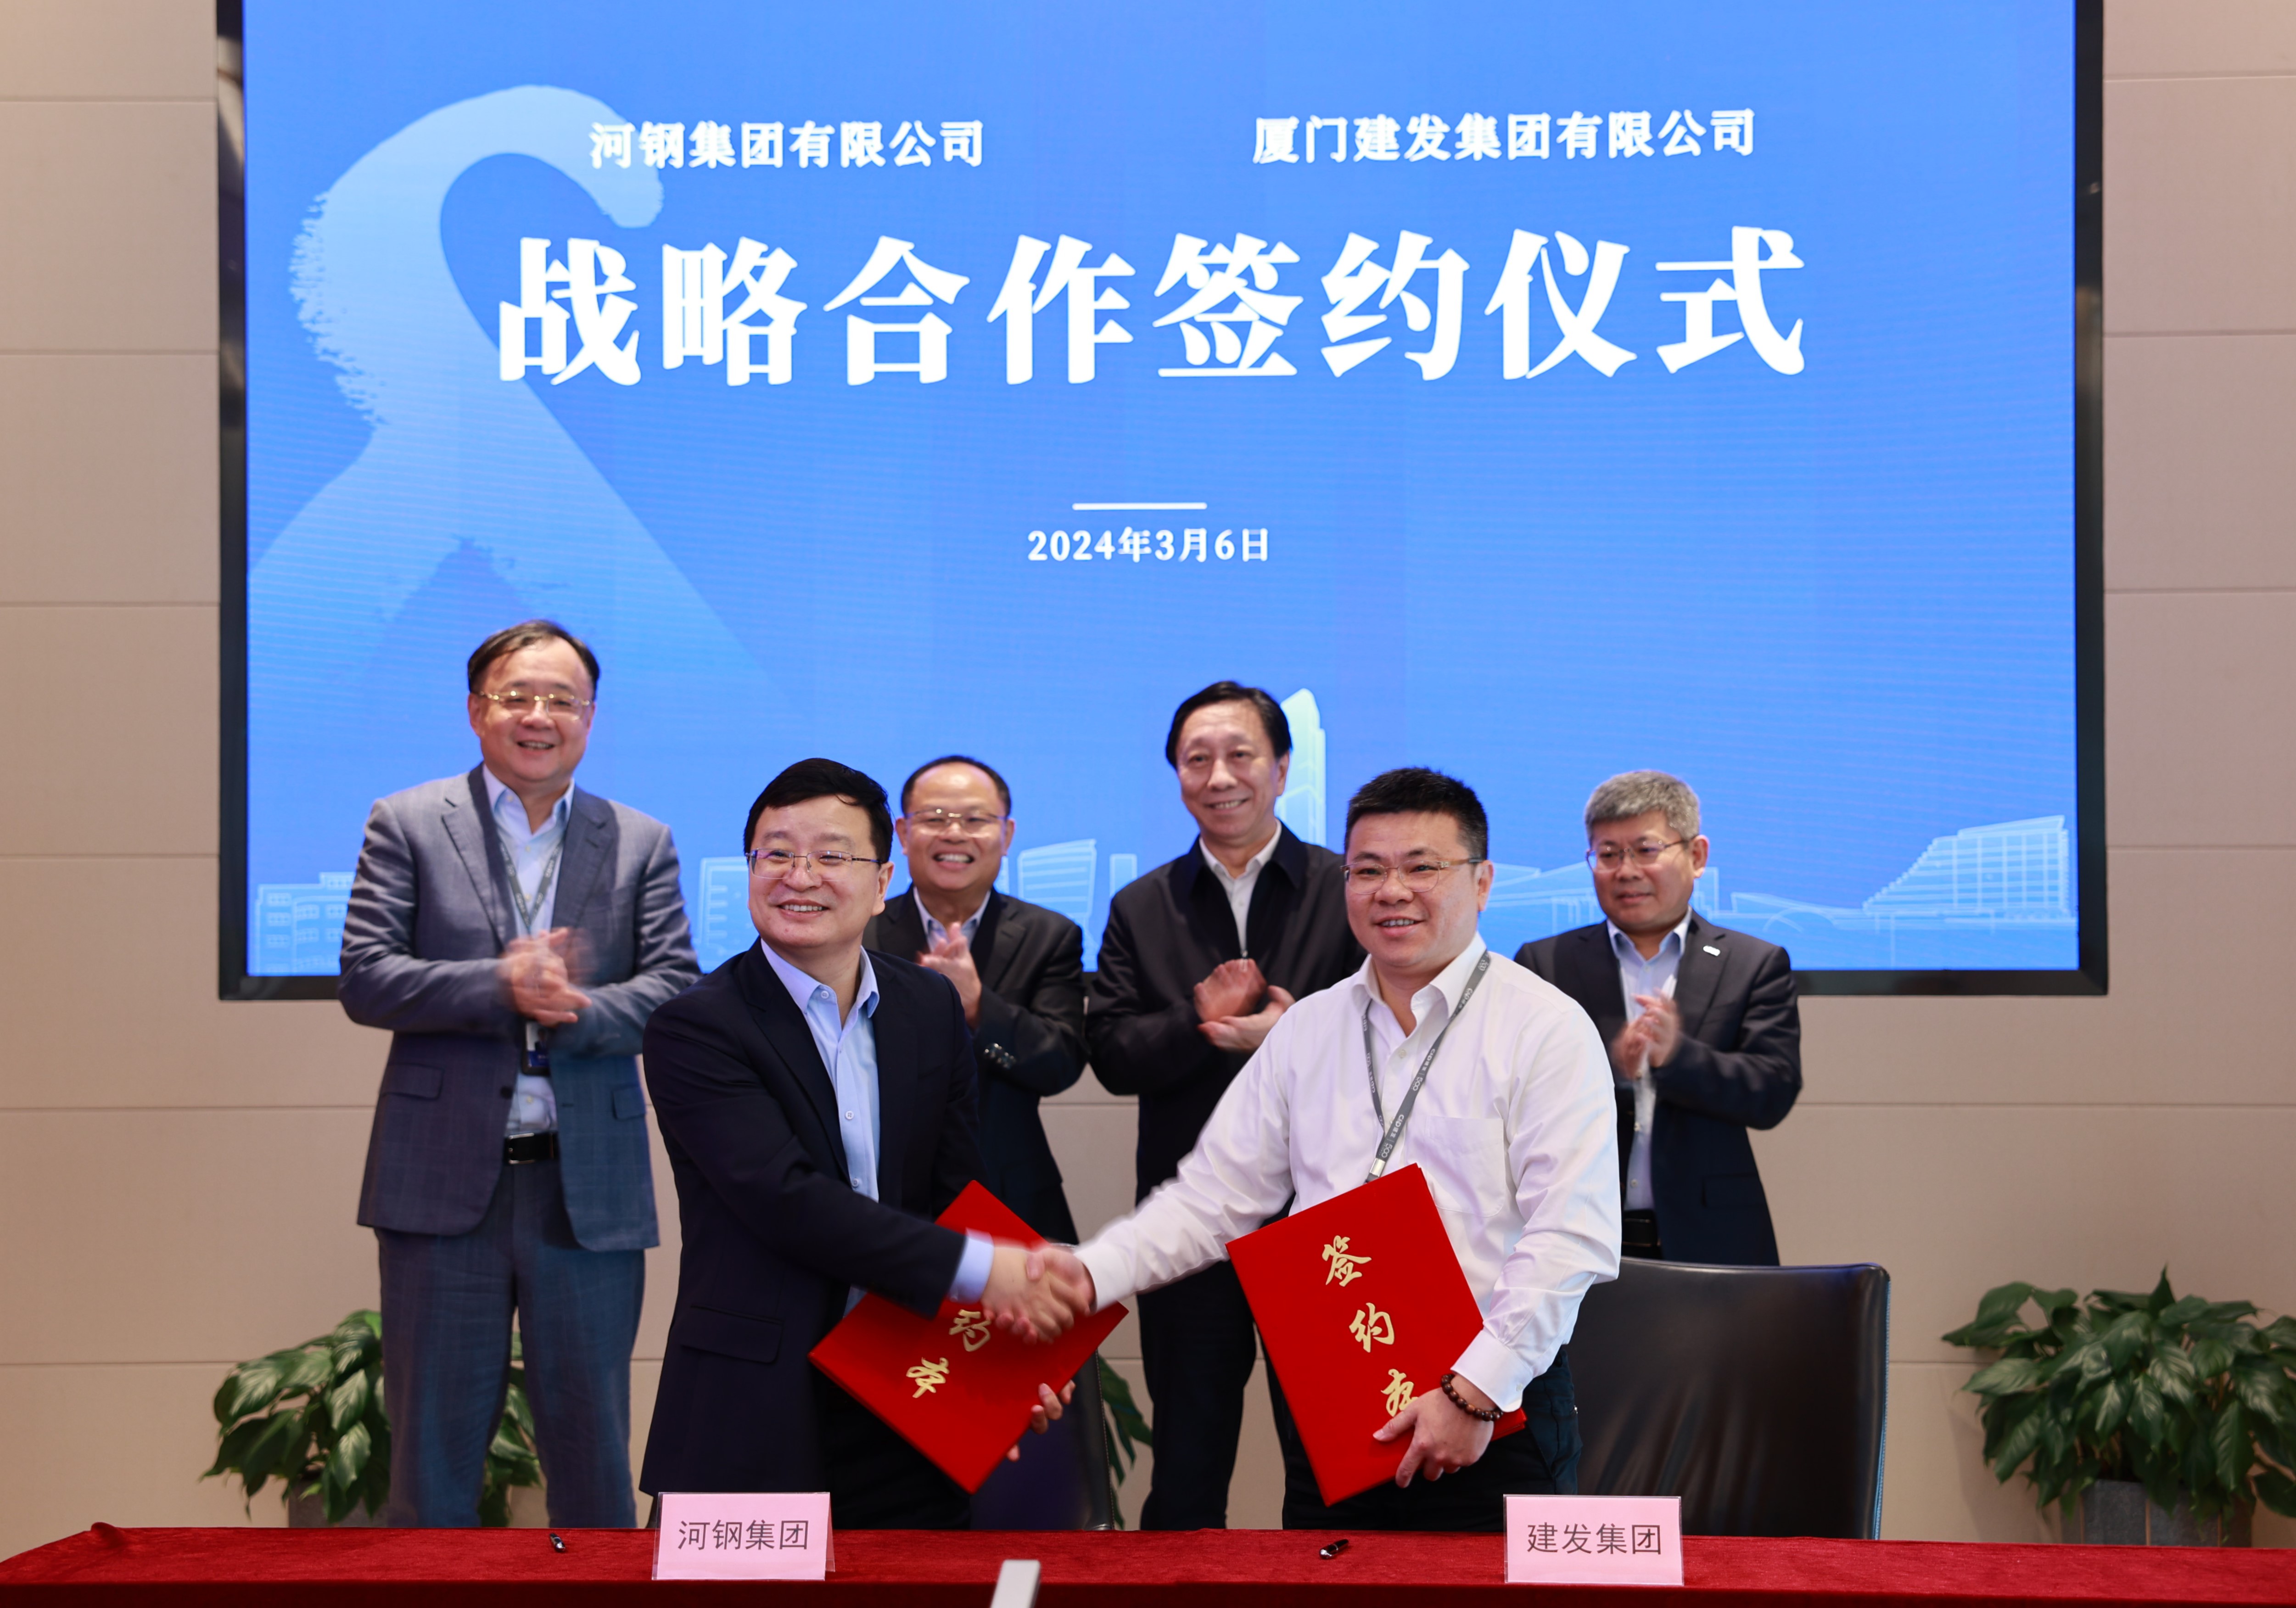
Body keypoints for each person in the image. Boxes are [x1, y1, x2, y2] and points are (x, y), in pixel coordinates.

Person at [1040, 768, 1619, 1532]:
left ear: (1482, 882)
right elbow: (1211, 1200)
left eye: (1421, 866)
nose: (1391, 890)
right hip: (1338, 1401)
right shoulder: (1308, 1029)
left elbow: (1570, 1234)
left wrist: (1473, 1390)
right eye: (1367, 869)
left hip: (1495, 1407)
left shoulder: (1544, 1026)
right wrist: (1086, 1275)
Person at [637, 759, 1081, 1529]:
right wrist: (989, 1270)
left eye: (831, 854)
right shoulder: (696, 1025)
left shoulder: (928, 1005)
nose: (799, 875)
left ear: (881, 882)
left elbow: (958, 1192)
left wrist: (1011, 1358)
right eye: (776, 852)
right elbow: (788, 1201)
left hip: (909, 1393)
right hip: (754, 1404)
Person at [340, 619, 700, 1528]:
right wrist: (497, 984)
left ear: (590, 716)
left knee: (593, 1458)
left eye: (562, 700)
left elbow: (673, 988)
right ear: (477, 710)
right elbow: (367, 976)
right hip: (439, 1183)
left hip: (587, 1190)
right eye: (517, 696)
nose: (540, 716)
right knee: (431, 1460)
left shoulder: (640, 839)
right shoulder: (408, 821)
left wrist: (575, 1008)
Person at [1087, 681, 1363, 1529]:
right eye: (1196, 758)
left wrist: (1293, 1036)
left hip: (1326, 1218)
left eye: (1240, 755)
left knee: (1335, 1457)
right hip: (1191, 1220)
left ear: (1281, 768)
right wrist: (1195, 1020)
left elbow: (1396, 1036)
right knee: (1187, 1458)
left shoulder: (1348, 888)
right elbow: (1111, 1055)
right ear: (1175, 774)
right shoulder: (1142, 904)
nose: (1218, 776)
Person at [1515, 771, 1802, 1266]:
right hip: (1572, 1237)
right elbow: (1515, 1097)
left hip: (1711, 1241)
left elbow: (1771, 1092)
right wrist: (1609, 1068)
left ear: (1697, 856)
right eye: (1608, 854)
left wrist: (1677, 1056)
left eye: (1646, 850)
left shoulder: (1753, 963)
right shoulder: (1545, 963)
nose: (1626, 871)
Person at [864, 755, 1087, 1241]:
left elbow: (1060, 1064)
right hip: (882, 1195)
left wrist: (978, 1008)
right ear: (903, 833)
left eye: (975, 819)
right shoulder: (861, 932)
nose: (954, 833)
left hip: (1009, 1192)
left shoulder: (1049, 935)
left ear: (1006, 835)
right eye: (934, 818)